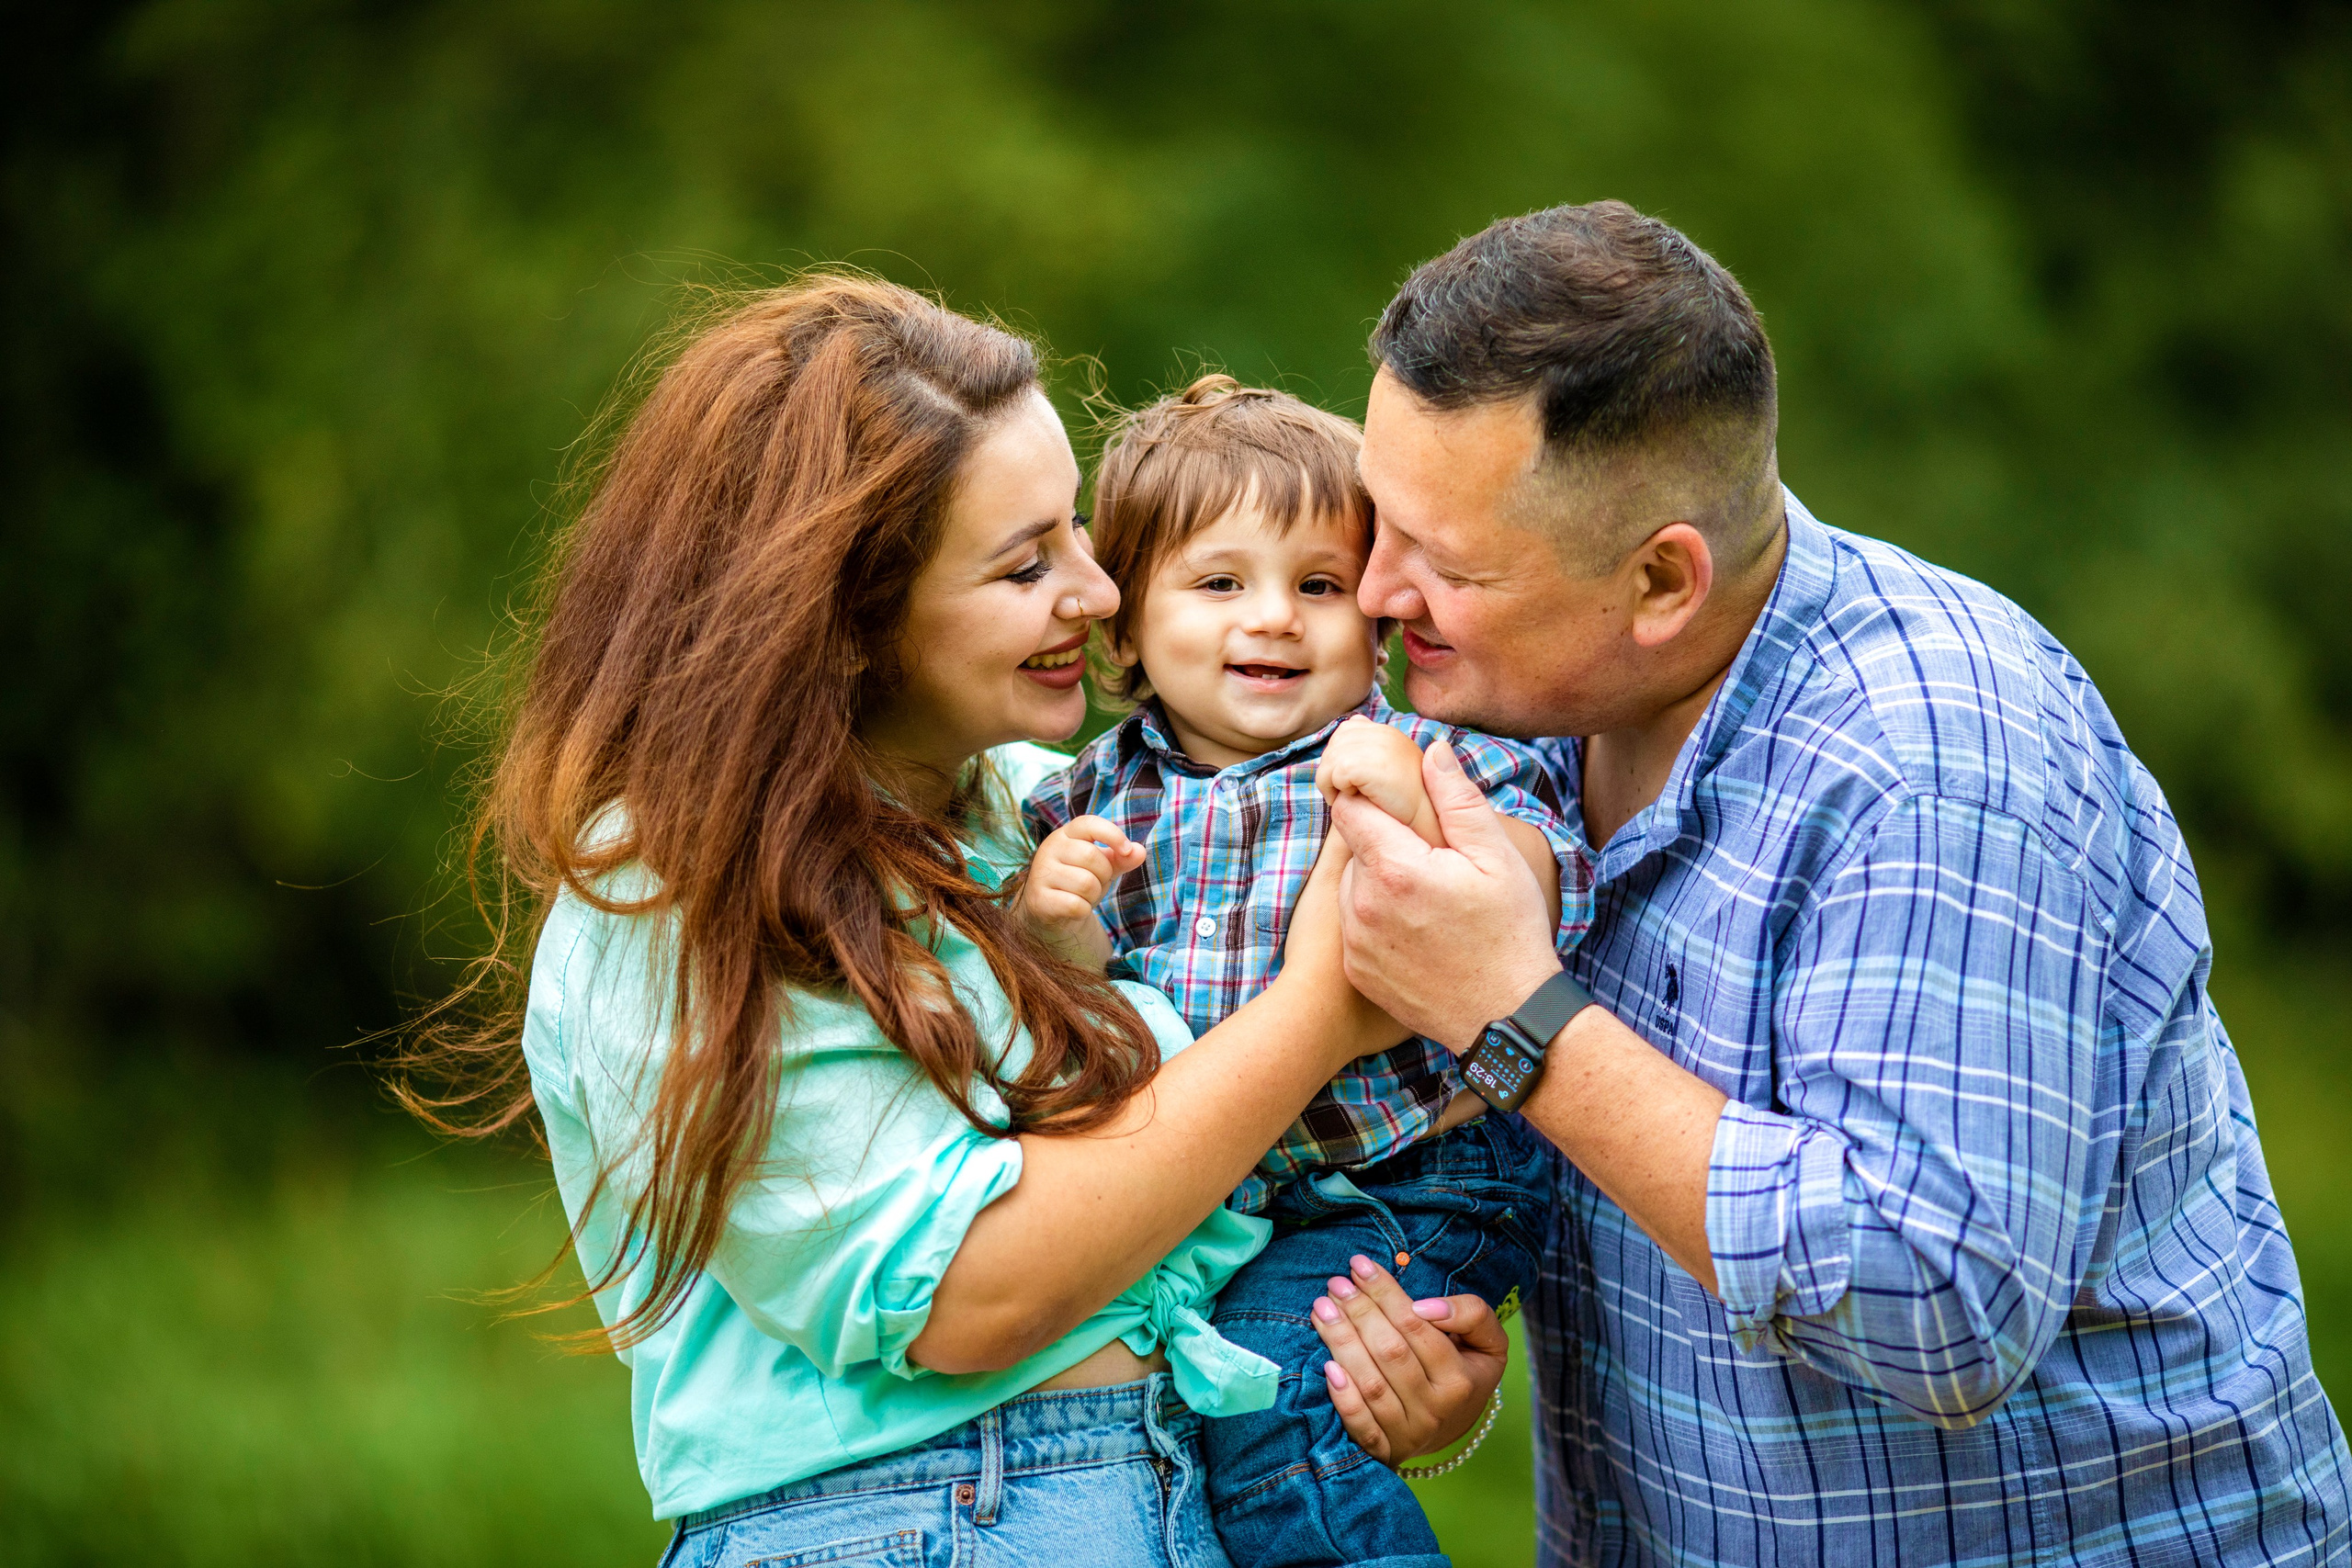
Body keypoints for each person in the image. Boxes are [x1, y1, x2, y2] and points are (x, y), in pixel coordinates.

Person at [1302, 201, 2352, 1566]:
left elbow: (1939, 1304)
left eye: (1442, 563)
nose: (1374, 593)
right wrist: (1445, 1368)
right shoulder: (1515, 712)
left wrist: (1519, 1018)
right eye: (1379, 524)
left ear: (1662, 581)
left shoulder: (1934, 767)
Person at [401, 276, 1429, 1566]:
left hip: (1162, 1487)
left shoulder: (1044, 807)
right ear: (843, 624)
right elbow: (964, 1294)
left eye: (1077, 533)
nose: (1100, 593)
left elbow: (1202, 1174)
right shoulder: (672, 881)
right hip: (895, 1521)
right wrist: (1322, 1008)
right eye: (1026, 564)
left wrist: (1382, 1362)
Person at [1016, 374, 1589, 1566]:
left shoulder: (1419, 752)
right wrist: (1053, 924)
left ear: (1375, 617)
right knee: (1209, 1429)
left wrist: (1402, 810)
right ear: (1123, 630)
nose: (1275, 618)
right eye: (1221, 583)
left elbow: (1539, 880)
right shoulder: (1083, 799)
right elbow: (1078, 1012)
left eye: (1319, 586)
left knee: (1276, 1409)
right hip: (1230, 1196)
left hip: (1411, 1171)